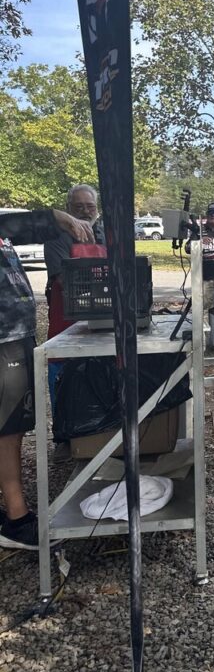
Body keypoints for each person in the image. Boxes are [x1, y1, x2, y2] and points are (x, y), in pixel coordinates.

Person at [0, 207, 94, 549]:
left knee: (14, 425)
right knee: (8, 428)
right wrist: (58, 217)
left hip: (15, 334)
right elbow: (21, 224)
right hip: (4, 338)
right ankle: (17, 519)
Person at [44, 183, 105, 339]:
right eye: (79, 207)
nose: (86, 211)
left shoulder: (105, 236)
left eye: (90, 207)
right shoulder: (55, 238)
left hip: (103, 320)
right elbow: (65, 281)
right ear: (68, 209)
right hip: (67, 325)